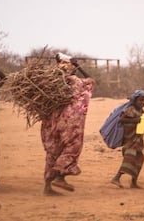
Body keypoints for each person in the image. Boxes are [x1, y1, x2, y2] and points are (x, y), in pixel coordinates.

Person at [41, 52, 95, 195]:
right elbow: (91, 81)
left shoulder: (50, 82)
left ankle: (48, 187)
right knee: (72, 146)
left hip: (52, 122)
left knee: (54, 151)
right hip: (69, 121)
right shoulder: (74, 81)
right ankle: (59, 176)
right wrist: (77, 66)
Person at [110, 90, 144, 189]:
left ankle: (134, 182)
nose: (142, 103)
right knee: (129, 158)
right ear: (135, 100)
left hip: (138, 139)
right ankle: (116, 178)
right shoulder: (130, 109)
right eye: (140, 100)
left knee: (139, 159)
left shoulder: (141, 111)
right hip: (130, 139)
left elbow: (140, 122)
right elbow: (122, 119)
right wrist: (136, 120)